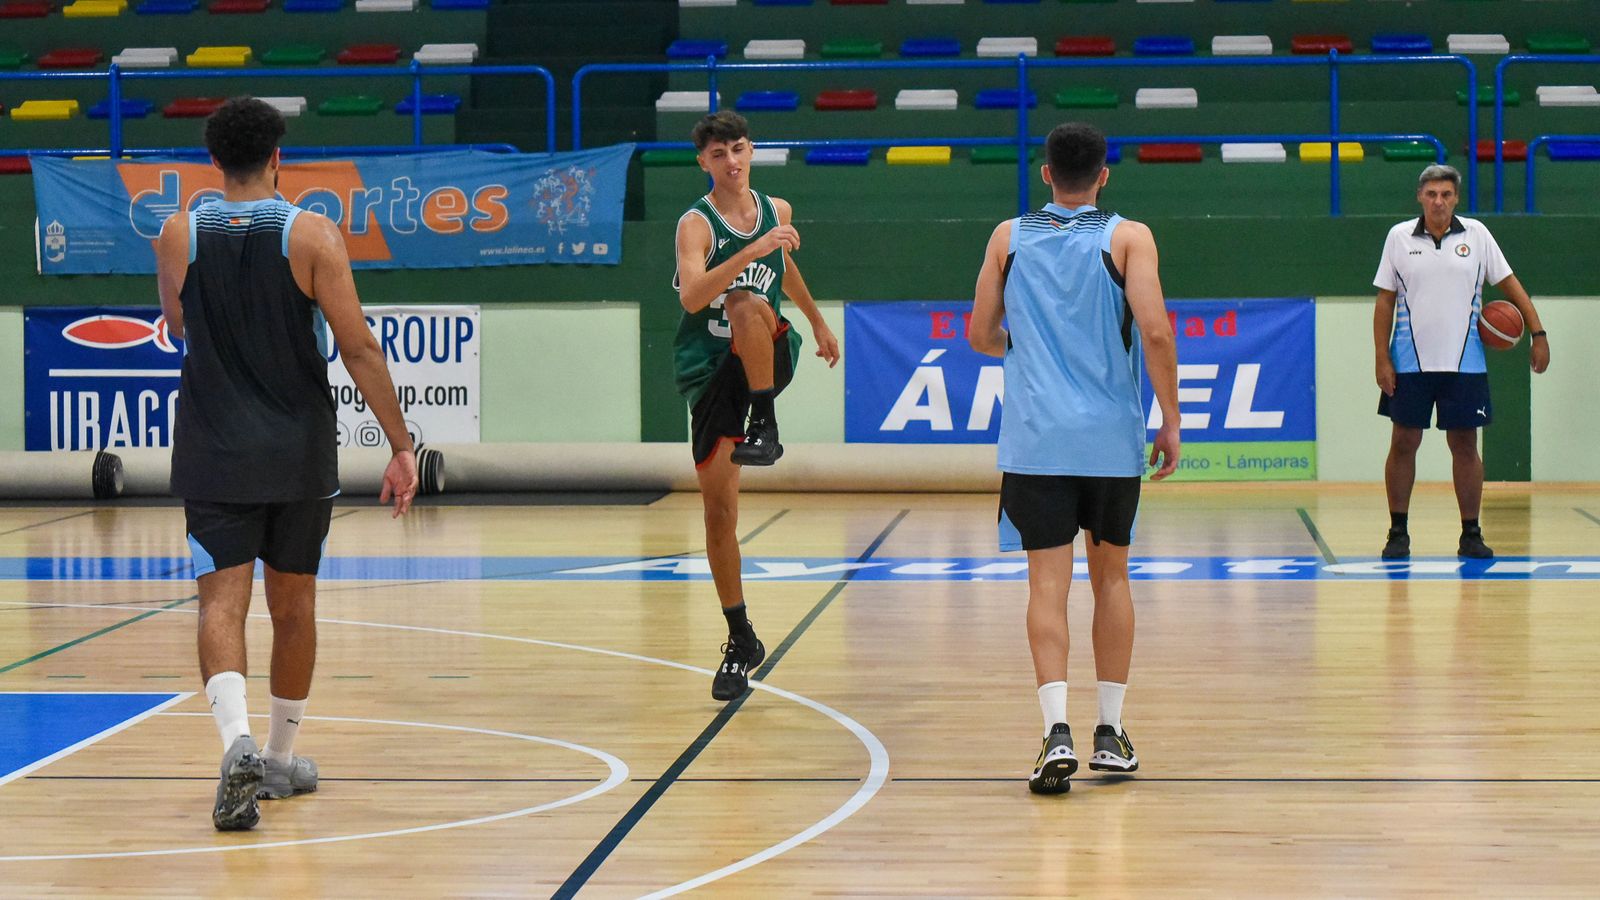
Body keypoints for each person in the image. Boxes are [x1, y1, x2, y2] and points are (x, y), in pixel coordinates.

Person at [156, 97, 418, 831]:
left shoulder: (179, 233)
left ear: (213, 162)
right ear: (279, 158)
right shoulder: (313, 235)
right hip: (297, 448)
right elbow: (359, 347)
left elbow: (178, 324)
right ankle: (275, 758)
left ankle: (234, 742)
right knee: (294, 606)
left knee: (220, 604)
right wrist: (401, 445)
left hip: (212, 445)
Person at [968, 122, 1180, 795]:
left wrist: (1022, 343)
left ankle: (1054, 729)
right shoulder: (1129, 237)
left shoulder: (1009, 237)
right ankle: (1110, 734)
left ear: (1045, 172)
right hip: (1111, 439)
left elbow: (978, 334)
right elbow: (1155, 329)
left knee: (1046, 588)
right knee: (1111, 580)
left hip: (1037, 441)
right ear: (1105, 175)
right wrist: (1171, 418)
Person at [672, 110, 840, 701]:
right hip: (711, 368)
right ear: (704, 163)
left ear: (752, 149)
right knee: (719, 514)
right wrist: (754, 249)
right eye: (719, 155)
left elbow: (783, 267)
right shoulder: (695, 224)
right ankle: (740, 636)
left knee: (748, 303)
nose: (732, 162)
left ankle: (765, 419)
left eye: (739, 149)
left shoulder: (778, 209)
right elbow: (693, 297)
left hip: (767, 353)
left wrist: (818, 321)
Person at [1372, 164, 1550, 560]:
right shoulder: (1398, 238)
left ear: (1456, 199)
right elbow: (1385, 300)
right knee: (1403, 442)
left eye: (1446, 195)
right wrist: (1381, 356)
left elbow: (1509, 284)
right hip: (1409, 362)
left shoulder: (1478, 236)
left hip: (1465, 363)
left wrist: (1537, 332)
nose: (1439, 201)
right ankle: (1397, 532)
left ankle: (1471, 533)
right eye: (1432, 194)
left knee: (1465, 446)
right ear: (1420, 196)